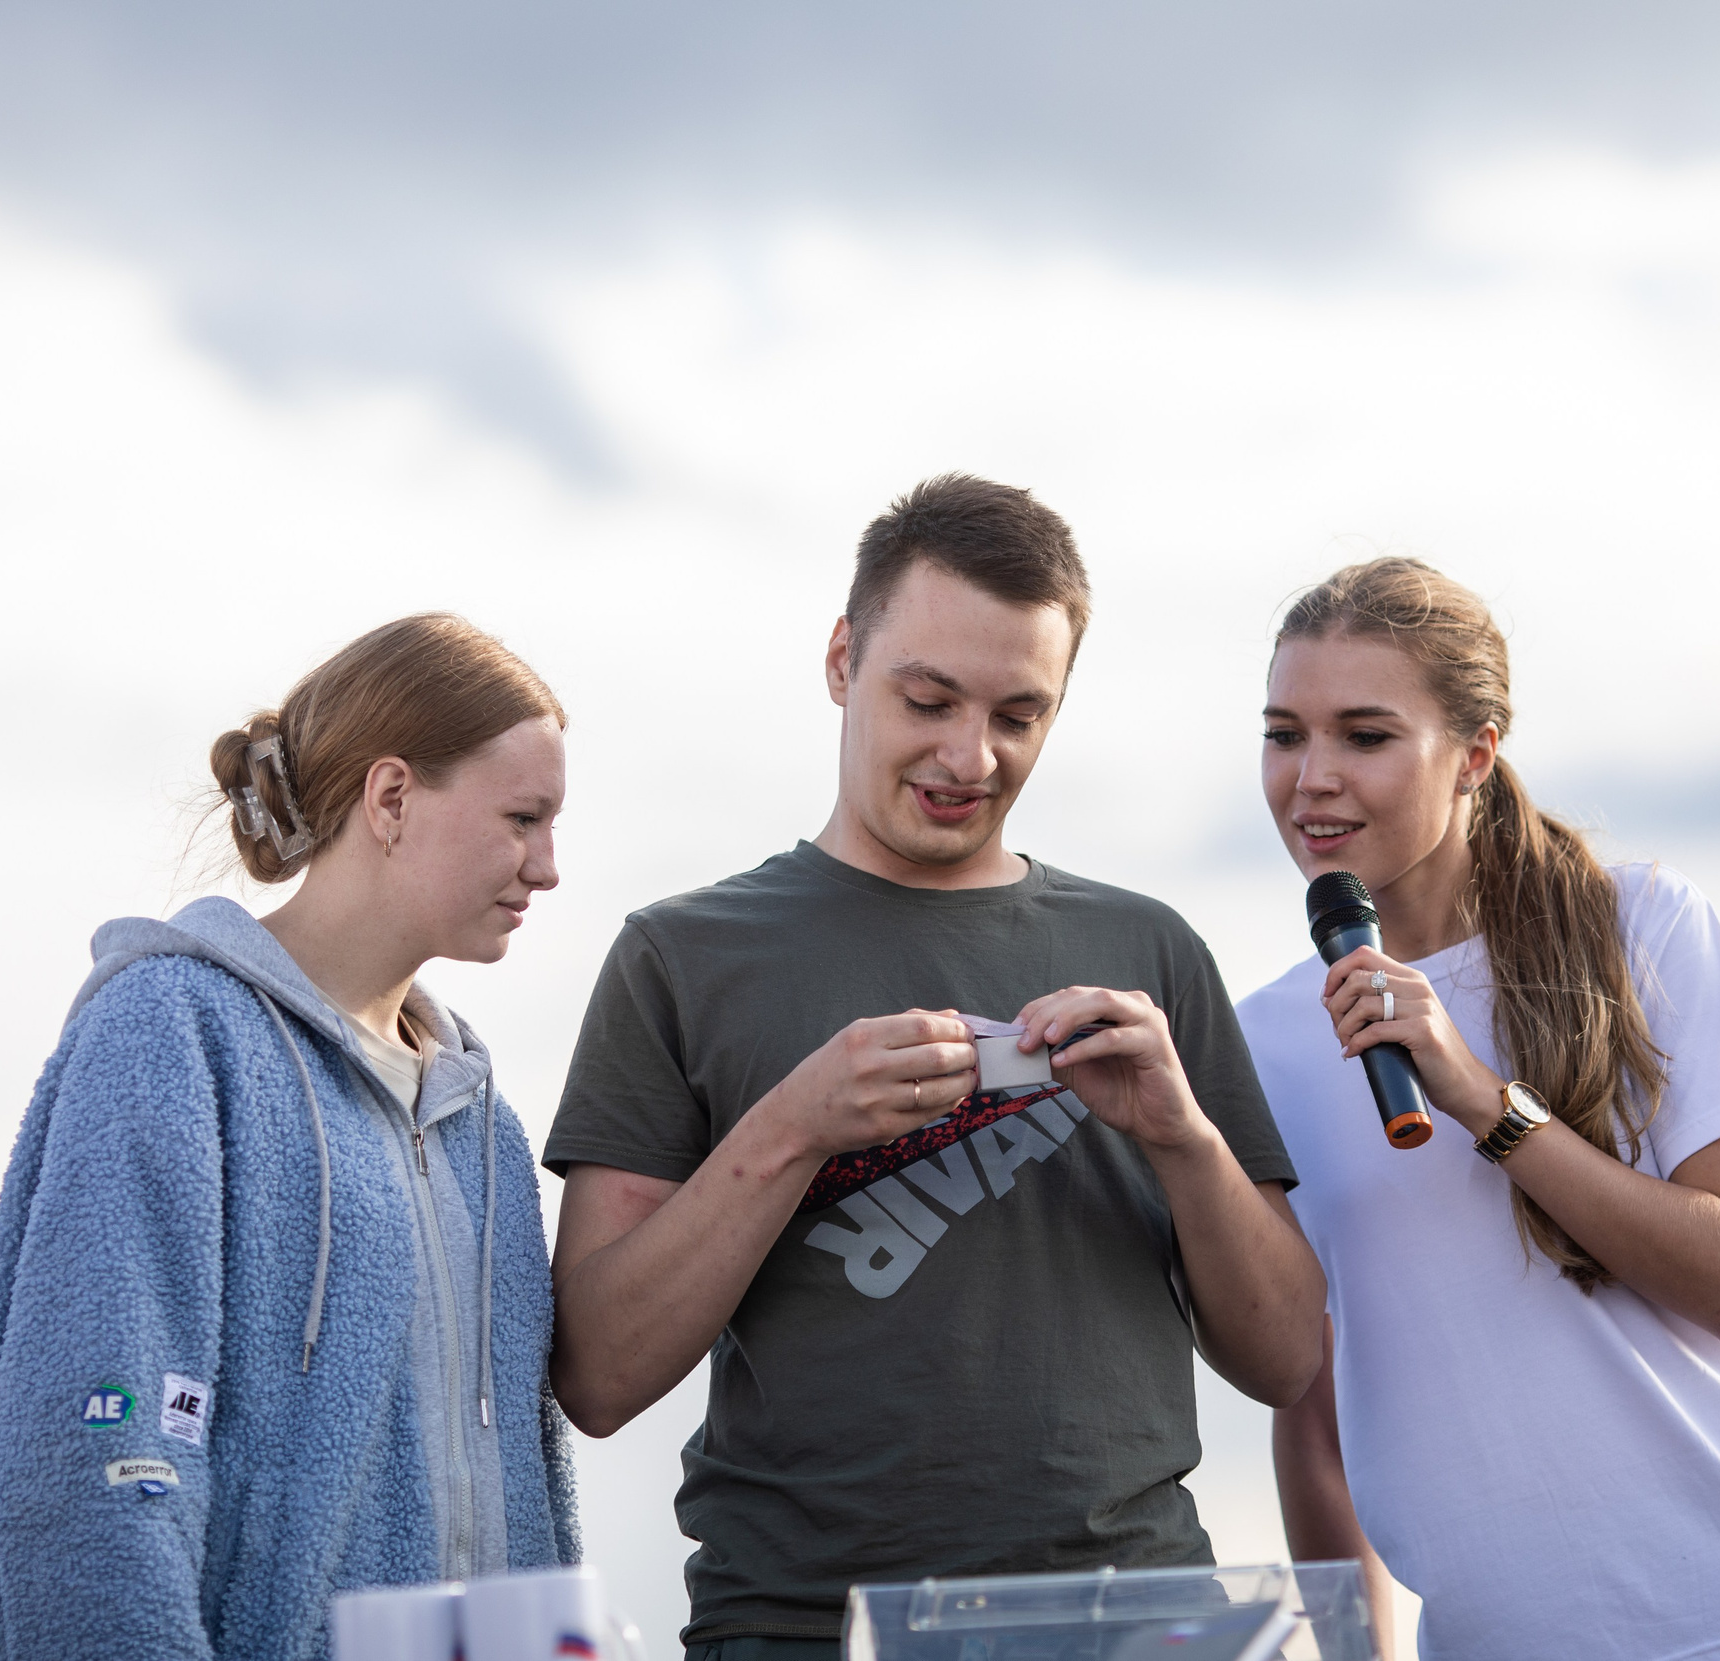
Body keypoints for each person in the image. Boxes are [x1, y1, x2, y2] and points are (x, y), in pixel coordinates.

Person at [545, 474, 1326, 1660]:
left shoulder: (1149, 950)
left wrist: (1183, 1136)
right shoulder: (680, 955)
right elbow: (598, 1375)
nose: (972, 754)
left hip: (1141, 1618)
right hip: (806, 1625)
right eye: (929, 697)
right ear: (840, 660)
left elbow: (1285, 1357)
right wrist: (795, 1123)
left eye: (1020, 714)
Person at [1238, 558, 1720, 1661]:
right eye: (1283, 734)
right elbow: (1311, 1415)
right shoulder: (1265, 1039)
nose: (1312, 778)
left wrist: (1483, 1100)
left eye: (1363, 735)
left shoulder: (1642, 926)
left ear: (1475, 754)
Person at [0, 614, 581, 1661]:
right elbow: (93, 1446)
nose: (549, 865)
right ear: (391, 798)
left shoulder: (485, 1127)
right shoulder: (169, 1036)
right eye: (524, 816)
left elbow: (528, 1485)